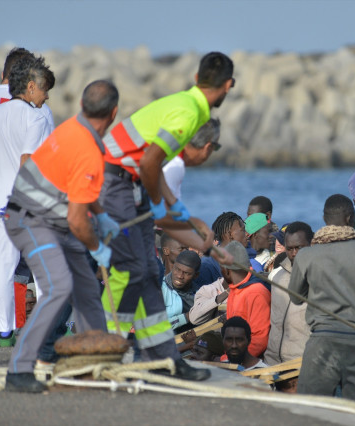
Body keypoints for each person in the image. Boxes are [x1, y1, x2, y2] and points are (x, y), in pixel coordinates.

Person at [99, 52, 234, 381]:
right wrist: (160, 211)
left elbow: (154, 167)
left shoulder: (188, 103)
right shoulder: (189, 114)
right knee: (131, 271)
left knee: (147, 272)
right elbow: (148, 164)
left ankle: (162, 356)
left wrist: (184, 216)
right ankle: (103, 349)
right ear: (228, 86)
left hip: (121, 179)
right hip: (114, 179)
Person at [2, 80, 120, 393]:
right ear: (114, 113)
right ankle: (19, 368)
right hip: (28, 220)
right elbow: (78, 221)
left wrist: (102, 215)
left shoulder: (74, 128)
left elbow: (82, 188)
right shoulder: (88, 148)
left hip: (54, 221)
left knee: (86, 287)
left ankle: (98, 361)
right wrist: (98, 247)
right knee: (59, 286)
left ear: (83, 105)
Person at [0, 53, 54, 347]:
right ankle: (45, 329)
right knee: (42, 269)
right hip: (26, 205)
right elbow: (28, 160)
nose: (46, 96)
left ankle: (3, 332)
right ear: (30, 86)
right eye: (44, 89)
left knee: (0, 270)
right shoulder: (36, 117)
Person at [288, 194, 355, 407]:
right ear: (349, 219)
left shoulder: (306, 256)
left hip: (321, 345)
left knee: (311, 413)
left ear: (324, 218)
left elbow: (295, 296)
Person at [264, 221, 313, 366]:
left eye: (299, 248)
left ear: (311, 244)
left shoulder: (319, 278)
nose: (294, 253)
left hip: (302, 363)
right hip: (272, 361)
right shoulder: (276, 276)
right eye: (290, 248)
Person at [221, 241, 271, 358]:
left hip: (247, 361)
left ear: (227, 270)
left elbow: (259, 340)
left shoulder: (256, 293)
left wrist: (229, 360)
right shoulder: (235, 288)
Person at [163, 118, 221, 200]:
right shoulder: (175, 164)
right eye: (215, 147)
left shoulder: (168, 154)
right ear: (208, 147)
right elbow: (165, 207)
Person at [162, 250, 200, 331]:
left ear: (196, 275)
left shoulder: (200, 294)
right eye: (177, 269)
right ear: (173, 266)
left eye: (186, 273)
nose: (179, 276)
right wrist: (187, 317)